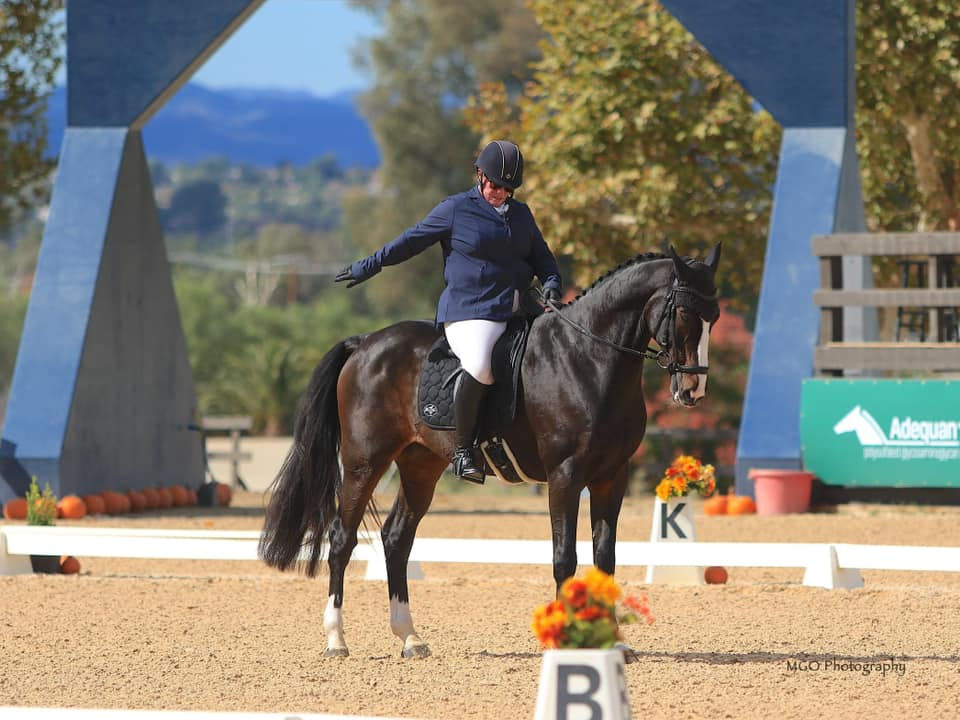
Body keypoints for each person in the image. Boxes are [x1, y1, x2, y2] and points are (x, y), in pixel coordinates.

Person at [335, 140, 562, 483]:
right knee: (482, 364)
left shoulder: (521, 215)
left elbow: (544, 260)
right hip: (471, 312)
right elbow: (410, 241)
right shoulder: (456, 209)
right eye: (496, 185)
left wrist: (552, 283)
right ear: (480, 175)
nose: (501, 193)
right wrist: (369, 265)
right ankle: (463, 450)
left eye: (508, 188)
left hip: (517, 309)